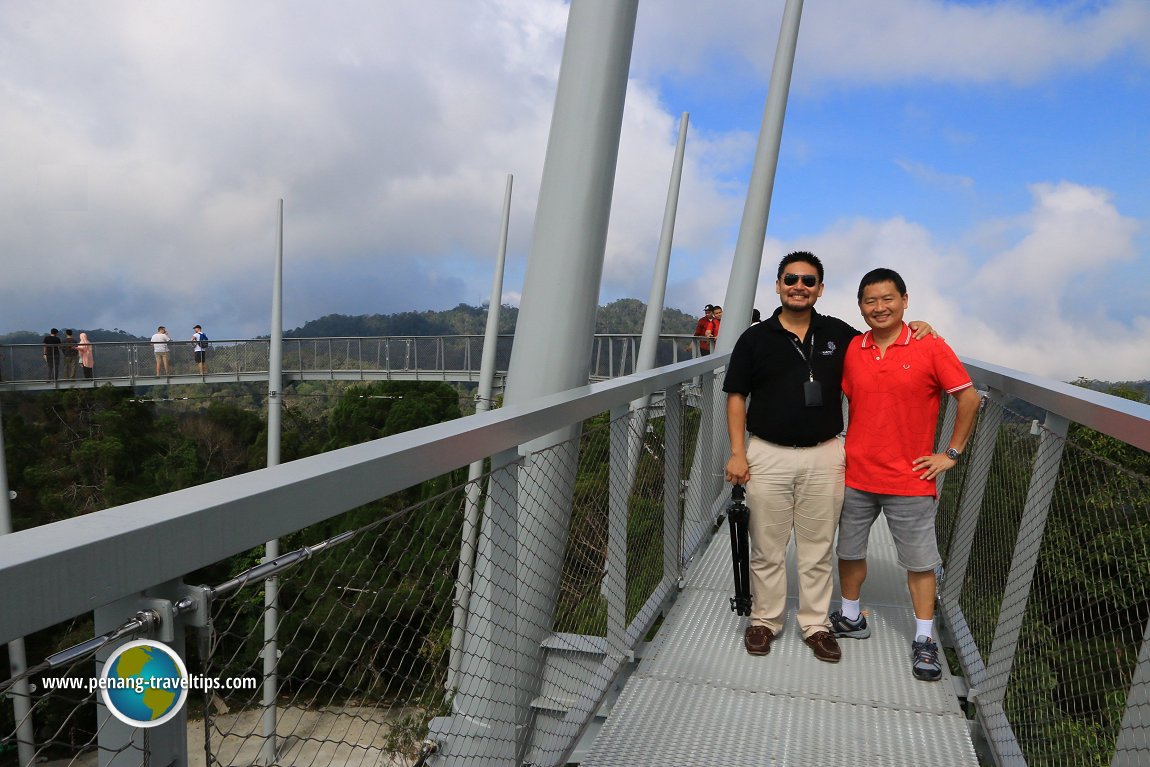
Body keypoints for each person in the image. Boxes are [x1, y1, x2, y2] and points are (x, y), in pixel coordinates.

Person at [723, 252, 934, 663]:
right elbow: (736, 397)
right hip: (767, 454)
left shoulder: (839, 334)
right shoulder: (754, 338)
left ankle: (815, 625)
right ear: (778, 285)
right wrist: (737, 453)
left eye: (808, 280)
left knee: (817, 548)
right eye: (791, 279)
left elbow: (882, 337)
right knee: (767, 545)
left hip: (824, 454)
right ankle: (765, 620)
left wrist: (919, 328)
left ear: (820, 289)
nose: (799, 286)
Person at [830, 268, 979, 682]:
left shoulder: (930, 345)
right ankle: (850, 615)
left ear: (905, 300)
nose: (879, 308)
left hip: (910, 478)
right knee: (849, 550)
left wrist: (951, 453)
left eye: (887, 299)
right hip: (856, 472)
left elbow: (968, 398)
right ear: (860, 306)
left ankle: (925, 639)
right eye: (870, 301)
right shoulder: (852, 349)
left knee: (919, 562)